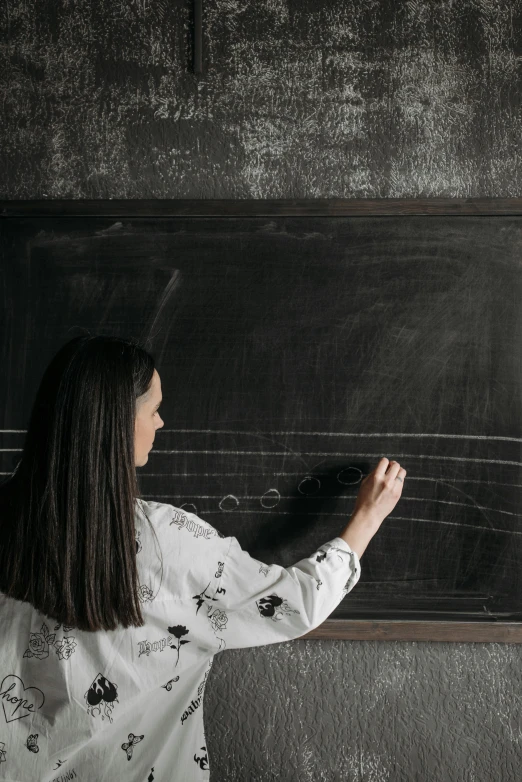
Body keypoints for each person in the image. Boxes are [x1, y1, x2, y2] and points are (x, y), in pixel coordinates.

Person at [0, 334, 406, 782]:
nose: (161, 422)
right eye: (152, 410)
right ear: (116, 424)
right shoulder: (166, 543)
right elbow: (295, 602)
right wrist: (368, 516)